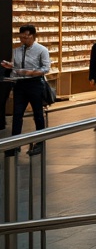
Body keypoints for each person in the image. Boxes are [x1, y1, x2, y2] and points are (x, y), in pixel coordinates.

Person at [3, 24, 51, 154]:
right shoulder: (17, 51)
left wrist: (31, 72)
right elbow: (16, 67)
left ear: (33, 36)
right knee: (17, 114)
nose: (24, 40)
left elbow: (46, 68)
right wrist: (10, 67)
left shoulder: (42, 50)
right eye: (21, 37)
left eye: (26, 37)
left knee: (38, 114)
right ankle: (15, 143)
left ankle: (40, 142)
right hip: (19, 85)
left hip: (35, 84)